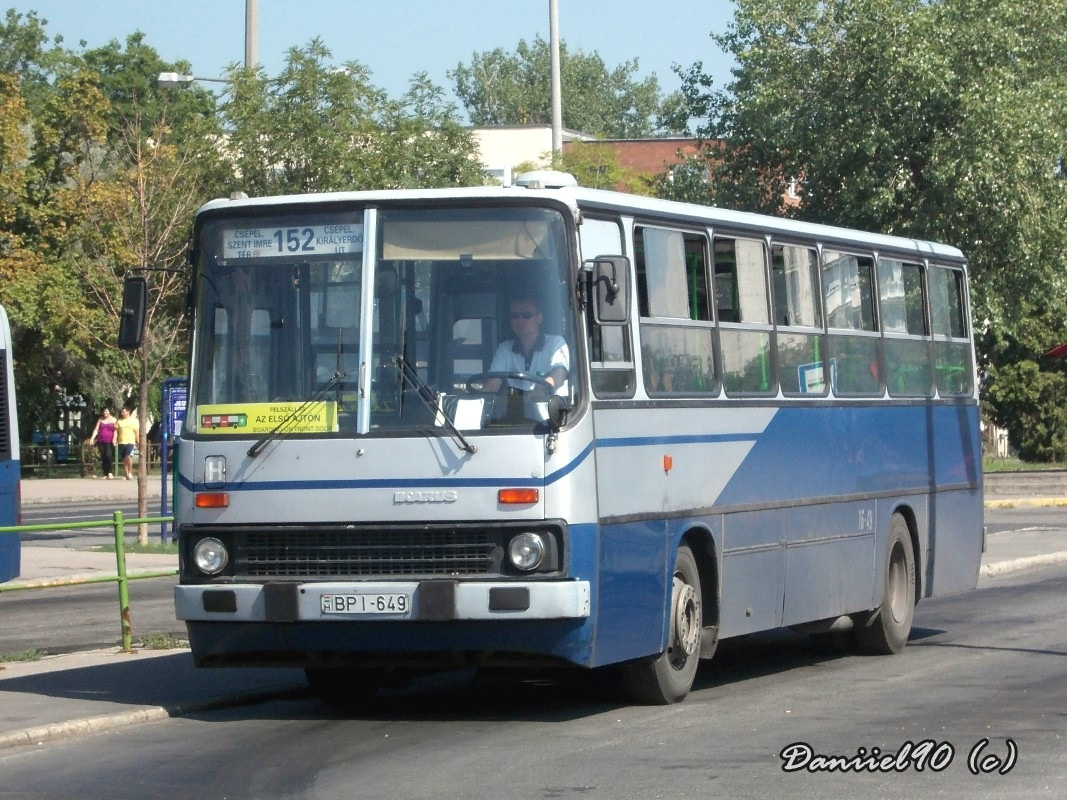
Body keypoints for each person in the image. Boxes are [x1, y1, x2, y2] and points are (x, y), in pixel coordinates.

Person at [483, 296, 569, 397]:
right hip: (515, 410)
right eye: (515, 316)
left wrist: (533, 397)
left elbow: (558, 376)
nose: (520, 320)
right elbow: (492, 384)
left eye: (526, 315)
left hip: (552, 410)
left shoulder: (556, 343)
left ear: (539, 318)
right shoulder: (504, 348)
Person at [88, 408, 116, 479]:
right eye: (104, 411)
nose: (105, 412)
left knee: (108, 455)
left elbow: (116, 431)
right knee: (103, 456)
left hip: (109, 441)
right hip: (101, 441)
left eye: (106, 411)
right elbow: (96, 429)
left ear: (109, 412)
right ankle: (105, 473)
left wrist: (114, 438)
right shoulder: (100, 419)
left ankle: (110, 472)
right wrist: (92, 438)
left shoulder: (114, 420)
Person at [115, 406, 140, 480]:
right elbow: (116, 431)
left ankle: (130, 472)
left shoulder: (134, 421)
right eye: (121, 412)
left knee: (129, 456)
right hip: (122, 441)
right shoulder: (119, 421)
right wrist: (115, 439)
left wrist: (137, 441)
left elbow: (136, 432)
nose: (122, 413)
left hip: (130, 441)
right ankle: (126, 473)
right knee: (124, 459)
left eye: (124, 412)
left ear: (128, 412)